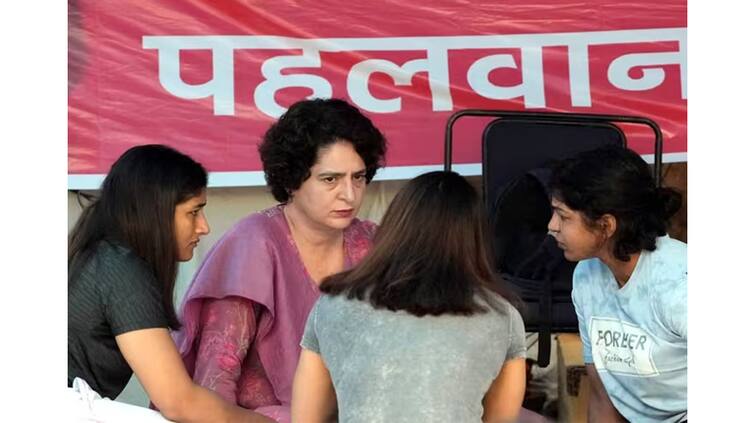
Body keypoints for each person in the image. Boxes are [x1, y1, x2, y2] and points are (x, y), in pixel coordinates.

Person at [173, 98, 387, 422]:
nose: (349, 194)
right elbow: (215, 377)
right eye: (330, 179)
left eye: (358, 177)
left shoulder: (374, 243)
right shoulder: (254, 243)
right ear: (291, 180)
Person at [292, 171, 528, 423]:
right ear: (476, 239)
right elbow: (501, 418)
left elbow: (306, 418)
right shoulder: (502, 317)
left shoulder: (331, 306)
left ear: (394, 227)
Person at [68, 144, 269, 423]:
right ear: (156, 211)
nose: (204, 227)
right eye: (193, 211)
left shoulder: (98, 254)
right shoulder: (122, 268)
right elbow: (178, 402)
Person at [547, 146, 686, 423]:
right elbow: (602, 397)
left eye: (563, 216)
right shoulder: (586, 276)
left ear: (606, 226)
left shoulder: (678, 284)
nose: (552, 226)